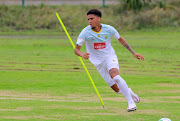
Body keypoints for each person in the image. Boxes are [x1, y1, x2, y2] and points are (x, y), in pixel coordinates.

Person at [74, 9, 144, 112]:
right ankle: (129, 92)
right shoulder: (85, 32)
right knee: (116, 89)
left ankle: (131, 103)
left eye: (92, 18)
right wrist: (82, 54)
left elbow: (121, 39)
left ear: (99, 18)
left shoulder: (109, 29)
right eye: (88, 19)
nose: (90, 21)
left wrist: (133, 52)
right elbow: (76, 50)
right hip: (98, 63)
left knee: (115, 76)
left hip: (109, 57)